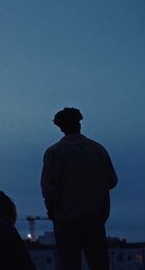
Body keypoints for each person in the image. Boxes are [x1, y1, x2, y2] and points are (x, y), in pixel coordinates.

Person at [40, 107, 118, 270]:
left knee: (69, 264)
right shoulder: (98, 149)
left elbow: (48, 188)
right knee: (99, 263)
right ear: (79, 124)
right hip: (95, 218)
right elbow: (112, 180)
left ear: (60, 127)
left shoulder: (54, 152)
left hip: (65, 220)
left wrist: (53, 209)